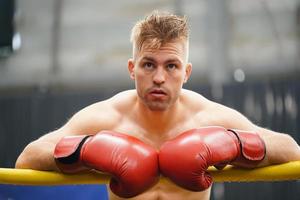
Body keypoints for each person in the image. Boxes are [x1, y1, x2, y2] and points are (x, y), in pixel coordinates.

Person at [15, 11, 300, 200]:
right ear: (132, 68)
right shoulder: (107, 117)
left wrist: (232, 143)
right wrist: (87, 150)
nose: (159, 77)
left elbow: (291, 150)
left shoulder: (208, 118)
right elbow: (27, 159)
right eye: (148, 64)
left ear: (186, 73)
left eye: (172, 66)